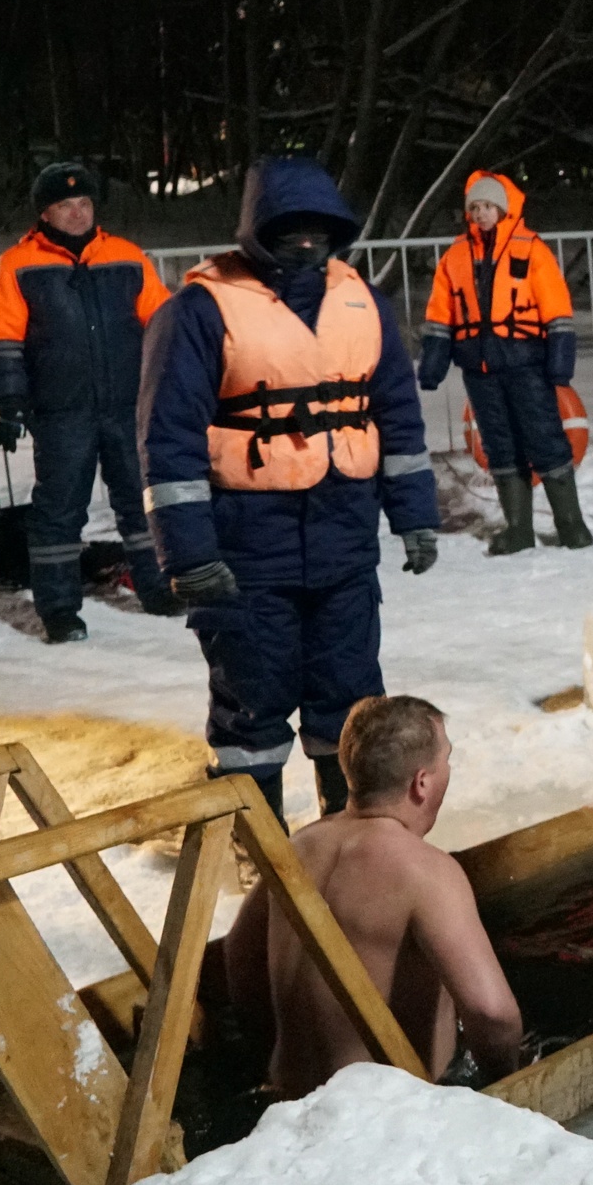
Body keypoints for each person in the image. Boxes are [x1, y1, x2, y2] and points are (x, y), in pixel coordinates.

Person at [140, 157, 443, 822]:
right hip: (246, 546)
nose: (306, 245)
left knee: (352, 699)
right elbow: (169, 436)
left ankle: (351, 841)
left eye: (319, 231)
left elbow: (397, 411)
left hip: (343, 540)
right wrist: (188, 554)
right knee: (252, 700)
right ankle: (262, 850)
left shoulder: (363, 303)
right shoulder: (199, 309)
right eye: (290, 230)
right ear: (258, 232)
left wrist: (416, 515)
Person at [221, 694, 523, 1094]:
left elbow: (238, 957)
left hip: (285, 1101)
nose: (449, 768)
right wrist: (507, 1086)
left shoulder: (296, 848)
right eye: (446, 758)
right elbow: (493, 1014)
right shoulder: (426, 872)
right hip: (381, 1118)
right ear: (422, 782)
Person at [0, 162, 179, 642]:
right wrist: (11, 403)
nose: (77, 213)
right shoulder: (17, 266)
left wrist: (173, 385)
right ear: (44, 213)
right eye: (65, 206)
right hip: (61, 410)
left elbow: (165, 324)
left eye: (84, 203)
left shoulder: (127, 257)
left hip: (128, 405)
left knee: (143, 500)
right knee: (60, 510)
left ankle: (158, 588)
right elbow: (0, 339)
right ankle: (60, 610)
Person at [418, 170, 590, 555]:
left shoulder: (531, 249)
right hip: (479, 370)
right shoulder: (455, 257)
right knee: (499, 444)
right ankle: (518, 530)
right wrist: (432, 363)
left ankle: (572, 525)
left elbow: (556, 308)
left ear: (504, 208)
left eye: (487, 206)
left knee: (544, 438)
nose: (480, 214)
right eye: (474, 207)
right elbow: (441, 315)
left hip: (526, 364)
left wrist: (560, 361)